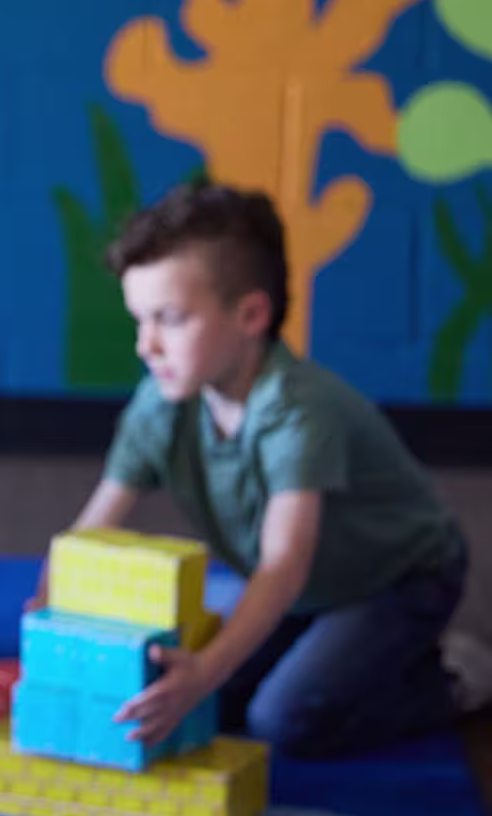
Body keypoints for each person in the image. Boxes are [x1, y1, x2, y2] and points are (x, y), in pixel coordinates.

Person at [41, 181, 491, 758]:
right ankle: (319, 644)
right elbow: (95, 524)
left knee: (284, 720)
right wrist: (52, 606)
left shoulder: (298, 412)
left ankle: (454, 676)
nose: (145, 345)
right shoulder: (161, 402)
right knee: (209, 706)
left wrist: (204, 669)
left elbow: (283, 566)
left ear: (251, 313)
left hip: (398, 579)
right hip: (306, 586)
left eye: (170, 320)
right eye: (139, 320)